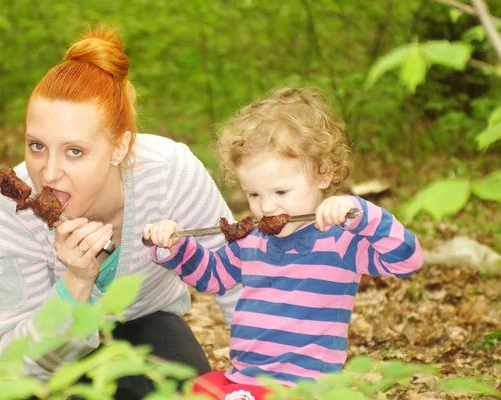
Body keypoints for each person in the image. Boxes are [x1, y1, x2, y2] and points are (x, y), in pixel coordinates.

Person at [0, 24, 243, 400]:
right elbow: (25, 365)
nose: (48, 173)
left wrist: (264, 376)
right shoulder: (11, 202)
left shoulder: (170, 174)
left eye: (74, 151)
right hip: (41, 314)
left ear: (119, 147)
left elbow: (238, 276)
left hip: (141, 318)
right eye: (36, 146)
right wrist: (76, 282)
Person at [143, 87, 424, 399]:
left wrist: (364, 215)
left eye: (280, 192)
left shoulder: (341, 238)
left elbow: (407, 260)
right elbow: (213, 276)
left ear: (323, 174)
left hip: (304, 387)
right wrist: (176, 247)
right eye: (254, 195)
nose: (266, 207)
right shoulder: (252, 239)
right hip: (245, 379)